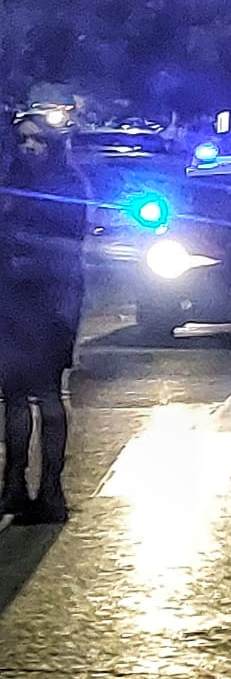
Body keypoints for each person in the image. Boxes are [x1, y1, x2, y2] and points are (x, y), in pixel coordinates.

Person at [0, 113, 90, 524]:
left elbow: (67, 247)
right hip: (13, 304)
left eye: (37, 140)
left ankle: (52, 491)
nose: (29, 147)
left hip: (53, 304)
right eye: (22, 140)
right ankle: (14, 485)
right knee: (14, 396)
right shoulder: (11, 184)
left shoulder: (68, 186)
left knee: (49, 395)